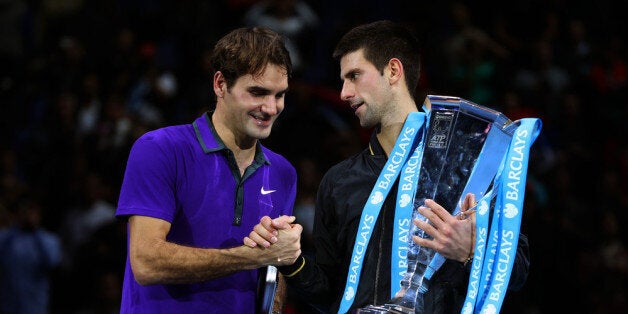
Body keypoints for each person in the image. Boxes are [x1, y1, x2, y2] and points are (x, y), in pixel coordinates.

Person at [244, 20, 530, 313]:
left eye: (354, 76)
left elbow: (517, 271)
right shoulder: (339, 181)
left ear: (393, 71)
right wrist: (292, 261)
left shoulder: (466, 165)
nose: (344, 93)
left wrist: (470, 250)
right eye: (342, 80)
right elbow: (329, 293)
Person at [114, 26, 303, 313]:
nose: (270, 107)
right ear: (220, 84)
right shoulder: (159, 149)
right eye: (257, 92)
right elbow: (146, 262)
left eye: (279, 95)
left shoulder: (283, 172)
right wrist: (251, 257)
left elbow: (273, 273)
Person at [0, 197, 62, 314]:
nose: (28, 216)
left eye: (32, 212)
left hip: (35, 305)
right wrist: (15, 227)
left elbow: (52, 262)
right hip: (8, 304)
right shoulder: (6, 237)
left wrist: (35, 232)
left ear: (39, 215)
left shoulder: (49, 240)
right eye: (24, 212)